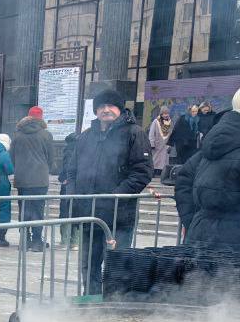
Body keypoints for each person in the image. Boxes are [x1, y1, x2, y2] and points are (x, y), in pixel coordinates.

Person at [172, 83, 240, 251]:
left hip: (199, 241)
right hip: (238, 250)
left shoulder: (214, 141)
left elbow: (184, 179)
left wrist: (195, 221)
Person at [67, 88, 153, 294]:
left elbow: (142, 172)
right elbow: (71, 170)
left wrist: (114, 196)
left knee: (116, 265)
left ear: (120, 109)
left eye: (110, 106)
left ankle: (113, 307)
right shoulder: (86, 136)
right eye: (101, 106)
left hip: (118, 215)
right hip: (88, 213)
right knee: (88, 266)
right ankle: (91, 303)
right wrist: (74, 194)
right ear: (96, 111)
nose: (105, 110)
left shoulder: (134, 133)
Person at [11, 106, 57, 250]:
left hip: (22, 180)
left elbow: (12, 157)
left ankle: (24, 241)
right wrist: (47, 168)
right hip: (39, 179)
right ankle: (37, 241)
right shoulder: (46, 135)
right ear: (41, 118)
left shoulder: (17, 135)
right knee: (38, 210)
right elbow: (51, 158)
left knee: (24, 210)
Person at [148, 107, 173, 177]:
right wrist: (152, 143)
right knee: (155, 160)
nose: (166, 115)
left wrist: (170, 144)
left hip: (165, 145)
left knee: (164, 161)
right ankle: (152, 173)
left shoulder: (169, 122)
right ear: (161, 114)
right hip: (157, 144)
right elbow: (151, 133)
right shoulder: (156, 121)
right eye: (164, 113)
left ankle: (162, 173)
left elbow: (171, 133)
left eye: (167, 113)